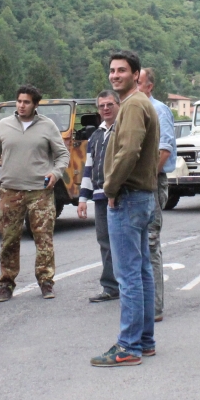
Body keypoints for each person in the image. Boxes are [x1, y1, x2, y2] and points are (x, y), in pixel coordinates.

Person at [91, 51, 160, 367]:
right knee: (142, 271)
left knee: (128, 274)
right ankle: (144, 341)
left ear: (135, 74)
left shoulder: (132, 105)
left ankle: (128, 346)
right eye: (112, 70)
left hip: (128, 197)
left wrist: (111, 188)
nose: (115, 75)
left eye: (122, 70)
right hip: (141, 196)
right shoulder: (141, 103)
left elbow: (129, 151)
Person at [0, 85, 70, 301]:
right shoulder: (4, 126)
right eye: (19, 101)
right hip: (10, 191)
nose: (22, 106)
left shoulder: (47, 126)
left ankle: (46, 281)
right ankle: (6, 283)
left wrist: (55, 173)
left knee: (44, 238)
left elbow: (63, 155)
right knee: (9, 239)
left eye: (27, 102)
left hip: (40, 191)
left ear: (35, 104)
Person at [137, 67, 176, 322]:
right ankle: (140, 301)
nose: (135, 86)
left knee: (151, 243)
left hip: (152, 181)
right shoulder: (132, 109)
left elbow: (165, 149)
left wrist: (149, 177)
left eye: (138, 82)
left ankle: (155, 307)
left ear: (149, 86)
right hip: (137, 183)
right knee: (137, 245)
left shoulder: (158, 110)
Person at [78, 90, 121, 302]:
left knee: (123, 241)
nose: (106, 109)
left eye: (110, 104)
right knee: (104, 241)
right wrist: (82, 199)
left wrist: (116, 190)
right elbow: (88, 168)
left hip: (120, 196)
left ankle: (129, 284)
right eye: (102, 105)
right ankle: (110, 286)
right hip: (100, 197)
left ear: (118, 105)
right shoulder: (95, 136)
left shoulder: (123, 130)